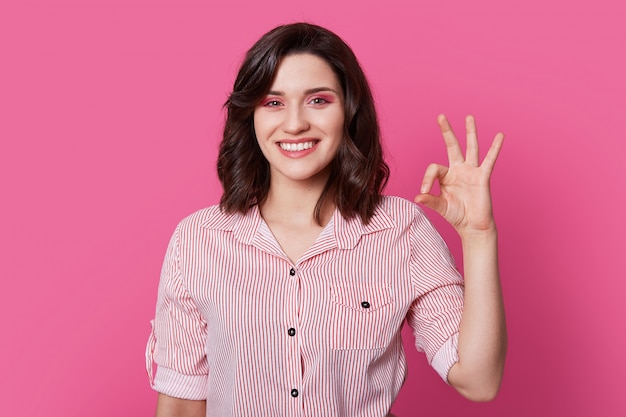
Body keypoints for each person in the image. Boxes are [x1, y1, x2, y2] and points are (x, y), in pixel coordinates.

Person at [146, 22, 507, 417]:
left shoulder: (402, 231)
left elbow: (478, 380)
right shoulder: (198, 240)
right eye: (273, 102)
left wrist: (479, 235)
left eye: (318, 100)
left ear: (349, 111)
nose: (295, 123)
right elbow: (181, 404)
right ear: (250, 116)